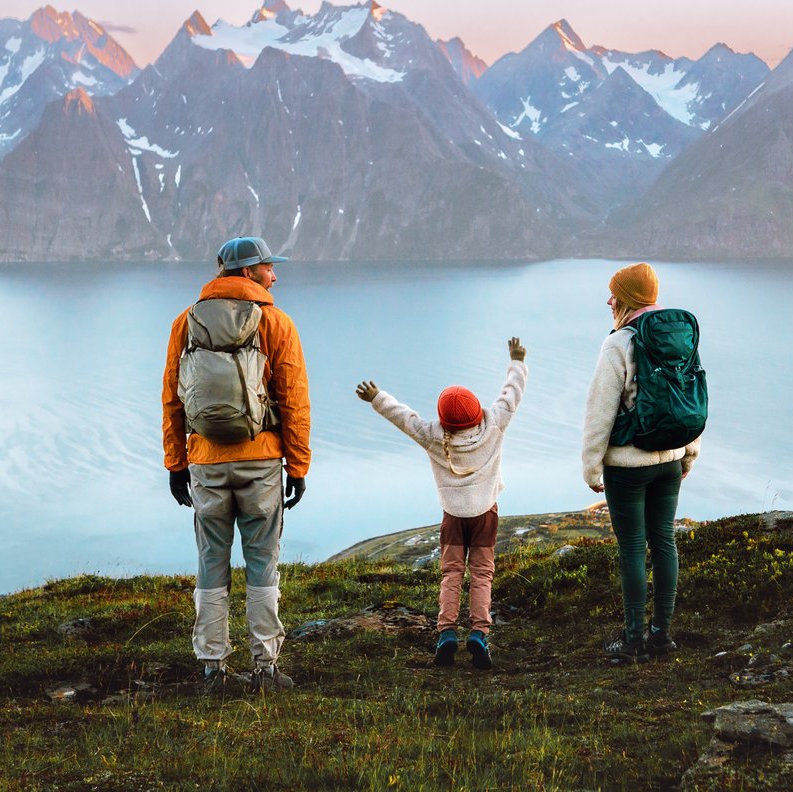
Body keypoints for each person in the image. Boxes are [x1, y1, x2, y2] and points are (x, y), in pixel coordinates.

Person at [163, 235, 311, 692]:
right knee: (262, 562)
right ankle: (265, 667)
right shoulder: (276, 323)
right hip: (262, 461)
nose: (274, 275)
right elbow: (293, 399)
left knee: (212, 564)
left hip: (206, 461)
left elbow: (173, 398)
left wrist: (176, 463)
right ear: (247, 273)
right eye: (268, 267)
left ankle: (213, 669)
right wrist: (298, 466)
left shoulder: (184, 322)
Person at [354, 337, 527, 670]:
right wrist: (517, 361)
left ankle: (446, 633)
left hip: (453, 516)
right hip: (485, 515)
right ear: (478, 412)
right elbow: (511, 395)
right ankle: (479, 633)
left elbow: (404, 417)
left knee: (451, 573)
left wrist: (377, 397)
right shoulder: (494, 427)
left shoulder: (433, 435)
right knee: (482, 574)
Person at [580, 262, 700, 662]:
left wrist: (591, 467)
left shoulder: (618, 343)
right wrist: (689, 452)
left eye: (614, 293)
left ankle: (633, 640)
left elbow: (599, 411)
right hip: (671, 460)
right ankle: (661, 636)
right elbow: (687, 396)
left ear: (628, 297)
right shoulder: (679, 336)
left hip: (629, 466)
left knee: (633, 547)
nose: (608, 300)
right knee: (664, 541)